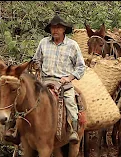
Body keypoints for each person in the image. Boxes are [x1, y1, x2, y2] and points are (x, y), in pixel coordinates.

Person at [32, 14, 86, 143]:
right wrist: (36, 65)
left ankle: (73, 129)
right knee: (25, 98)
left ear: (64, 30)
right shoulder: (43, 42)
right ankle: (17, 129)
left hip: (63, 82)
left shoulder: (72, 45)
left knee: (70, 103)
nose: (55, 30)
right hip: (44, 80)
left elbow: (80, 67)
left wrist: (69, 78)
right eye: (53, 28)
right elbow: (36, 59)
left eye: (58, 27)